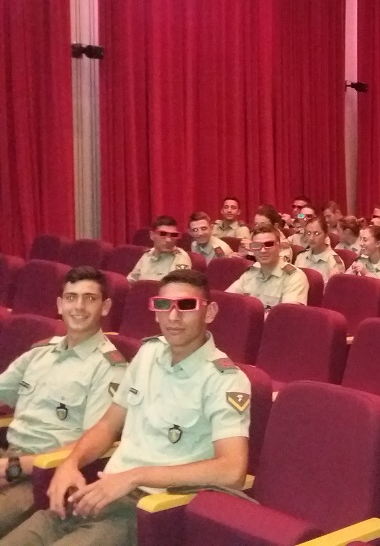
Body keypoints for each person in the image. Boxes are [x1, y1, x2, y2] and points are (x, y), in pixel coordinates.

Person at [4, 270, 250, 546]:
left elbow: (232, 470)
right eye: (163, 305)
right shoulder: (148, 354)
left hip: (147, 509)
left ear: (210, 312)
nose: (173, 316)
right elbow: (107, 425)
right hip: (99, 491)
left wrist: (135, 476)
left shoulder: (225, 380)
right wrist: (70, 463)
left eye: (186, 305)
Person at [0, 268, 126, 537]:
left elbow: (92, 443)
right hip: (7, 458)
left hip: (42, 475)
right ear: (59, 305)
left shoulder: (109, 368)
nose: (79, 306)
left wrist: (15, 466)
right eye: (71, 297)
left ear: (105, 307)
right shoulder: (40, 352)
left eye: (90, 299)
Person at [226, 224, 309, 309]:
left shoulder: (294, 277)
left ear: (279, 247)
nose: (263, 250)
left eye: (269, 244)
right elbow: (227, 299)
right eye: (256, 245)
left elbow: (287, 314)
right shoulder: (250, 273)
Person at [128, 216, 192, 282]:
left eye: (173, 235)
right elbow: (131, 280)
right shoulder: (148, 255)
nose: (168, 240)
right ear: (152, 235)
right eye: (163, 234)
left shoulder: (180, 257)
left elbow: (177, 285)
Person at [346, 226, 380, 300]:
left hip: (375, 304)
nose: (360, 243)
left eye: (365, 240)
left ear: (378, 243)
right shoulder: (361, 259)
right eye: (360, 239)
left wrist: (366, 274)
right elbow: (344, 283)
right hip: (356, 300)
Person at [293, 216, 345, 283]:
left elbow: (332, 288)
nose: (311, 238)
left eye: (317, 233)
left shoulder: (334, 261)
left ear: (326, 235)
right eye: (308, 233)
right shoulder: (301, 256)